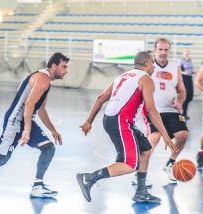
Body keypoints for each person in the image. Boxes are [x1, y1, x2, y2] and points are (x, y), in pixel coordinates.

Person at [0, 52, 69, 201]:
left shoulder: (46, 83)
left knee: (48, 148)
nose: (66, 71)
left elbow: (40, 109)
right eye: (64, 66)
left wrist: (53, 130)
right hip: (15, 120)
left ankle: (38, 186)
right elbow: (29, 103)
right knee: (2, 158)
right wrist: (27, 130)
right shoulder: (42, 79)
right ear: (54, 66)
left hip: (25, 120)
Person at [77, 51, 179, 203]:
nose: (153, 67)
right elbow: (151, 110)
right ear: (146, 64)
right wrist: (165, 135)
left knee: (145, 149)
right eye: (152, 63)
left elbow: (101, 98)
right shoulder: (146, 79)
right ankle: (89, 178)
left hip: (113, 120)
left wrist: (89, 121)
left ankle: (141, 192)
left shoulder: (123, 76)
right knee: (131, 165)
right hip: (121, 121)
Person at [139, 38, 188, 184]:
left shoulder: (175, 67)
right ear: (154, 50)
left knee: (183, 135)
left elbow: (181, 89)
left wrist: (180, 101)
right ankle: (140, 175)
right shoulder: (147, 67)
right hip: (152, 110)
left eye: (166, 49)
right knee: (154, 138)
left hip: (171, 110)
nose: (163, 52)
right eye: (160, 49)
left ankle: (170, 164)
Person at [179, 47, 196, 120]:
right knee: (185, 96)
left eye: (187, 51)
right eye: (185, 51)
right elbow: (178, 71)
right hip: (184, 79)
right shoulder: (181, 61)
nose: (186, 52)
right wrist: (183, 72)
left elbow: (190, 70)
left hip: (189, 78)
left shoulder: (190, 60)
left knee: (190, 96)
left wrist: (193, 72)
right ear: (183, 52)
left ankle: (182, 110)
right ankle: (182, 113)